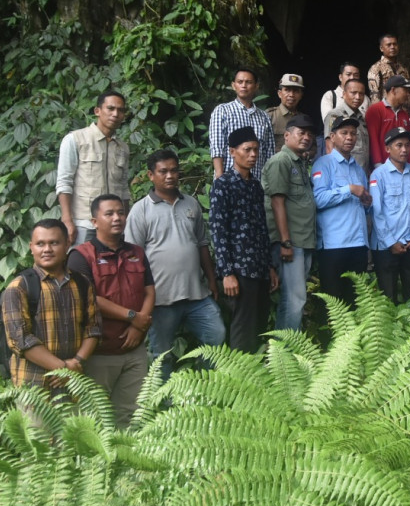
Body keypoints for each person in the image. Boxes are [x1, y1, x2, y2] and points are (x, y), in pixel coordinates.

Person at [125, 150, 225, 379]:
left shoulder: (190, 204)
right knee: (162, 354)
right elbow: (133, 257)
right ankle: (165, 406)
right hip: (160, 300)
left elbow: (202, 244)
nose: (170, 176)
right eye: (163, 171)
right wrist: (138, 297)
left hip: (196, 295)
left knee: (216, 337)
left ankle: (205, 390)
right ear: (151, 175)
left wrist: (211, 279)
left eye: (173, 170)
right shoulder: (140, 210)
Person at [66, 194, 154, 428]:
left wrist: (140, 325)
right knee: (94, 420)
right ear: (94, 221)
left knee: (131, 416)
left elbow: (149, 290)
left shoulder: (136, 252)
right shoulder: (80, 256)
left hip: (134, 351)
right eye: (109, 214)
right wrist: (133, 318)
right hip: (99, 352)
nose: (117, 218)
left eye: (121, 213)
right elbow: (89, 298)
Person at [1, 220, 102, 395]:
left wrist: (76, 364)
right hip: (35, 387)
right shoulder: (20, 287)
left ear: (67, 245)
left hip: (76, 384)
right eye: (40, 244)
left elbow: (93, 328)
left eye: (54, 243)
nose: (47, 249)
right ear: (31, 247)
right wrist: (63, 368)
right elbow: (20, 340)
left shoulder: (82, 283)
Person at [210, 128, 279, 354]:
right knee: (242, 328)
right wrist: (227, 273)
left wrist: (269, 267)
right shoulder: (223, 185)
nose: (252, 155)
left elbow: (261, 229)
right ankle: (238, 381)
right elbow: (218, 232)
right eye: (247, 150)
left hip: (258, 268)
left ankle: (257, 381)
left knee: (259, 325)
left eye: (256, 150)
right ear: (232, 152)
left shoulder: (255, 186)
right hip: (239, 270)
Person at [263, 114, 318, 331]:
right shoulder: (281, 161)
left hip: (302, 240)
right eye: (301, 133)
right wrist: (285, 242)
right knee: (295, 300)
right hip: (291, 242)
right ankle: (284, 354)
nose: (306, 137)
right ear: (287, 136)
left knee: (294, 298)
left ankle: (284, 351)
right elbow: (277, 202)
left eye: (310, 134)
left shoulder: (299, 162)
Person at [56, 90, 130, 244]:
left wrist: (125, 220)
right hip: (84, 223)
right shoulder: (75, 139)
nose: (115, 114)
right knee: (81, 266)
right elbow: (64, 182)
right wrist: (67, 220)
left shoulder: (122, 147)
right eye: (110, 108)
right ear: (97, 111)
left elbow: (123, 188)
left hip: (114, 226)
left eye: (121, 110)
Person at [311, 115, 370, 308]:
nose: (349, 137)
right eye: (344, 133)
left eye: (353, 134)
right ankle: (329, 338)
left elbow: (365, 206)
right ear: (332, 137)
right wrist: (349, 190)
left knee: (355, 301)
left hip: (358, 243)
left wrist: (367, 202)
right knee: (333, 304)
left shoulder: (358, 169)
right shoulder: (323, 164)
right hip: (334, 245)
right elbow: (318, 200)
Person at [369, 127, 410, 302]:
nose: (404, 150)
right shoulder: (378, 175)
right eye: (399, 145)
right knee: (387, 297)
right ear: (388, 148)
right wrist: (391, 242)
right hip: (386, 247)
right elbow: (377, 213)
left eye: (407, 145)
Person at [210, 67, 275, 181]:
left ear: (256, 86)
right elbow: (217, 147)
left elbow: (268, 151)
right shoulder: (222, 111)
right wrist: (220, 180)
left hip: (257, 182)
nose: (244, 85)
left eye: (248, 82)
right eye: (240, 82)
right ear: (234, 85)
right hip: (229, 181)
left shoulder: (264, 117)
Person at [365, 75, 410, 168]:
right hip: (383, 167)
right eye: (405, 90)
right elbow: (373, 140)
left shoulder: (404, 114)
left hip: (403, 168)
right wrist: (378, 165)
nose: (408, 94)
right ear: (393, 90)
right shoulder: (375, 110)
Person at [323, 78, 371, 171]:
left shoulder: (361, 117)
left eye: (361, 94)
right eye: (353, 93)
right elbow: (330, 148)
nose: (358, 97)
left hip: (361, 173)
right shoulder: (334, 115)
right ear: (344, 94)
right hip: (345, 172)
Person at [266, 73, 306, 151]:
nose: (291, 95)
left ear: (301, 95)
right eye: (287, 90)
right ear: (279, 93)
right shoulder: (269, 116)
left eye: (296, 91)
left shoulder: (303, 119)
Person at [367, 33, 410, 103]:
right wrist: (378, 112)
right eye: (389, 45)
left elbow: (409, 91)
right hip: (387, 109)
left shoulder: (403, 68)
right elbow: (374, 94)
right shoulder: (376, 68)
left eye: (395, 44)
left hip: (404, 110)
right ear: (381, 48)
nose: (392, 47)